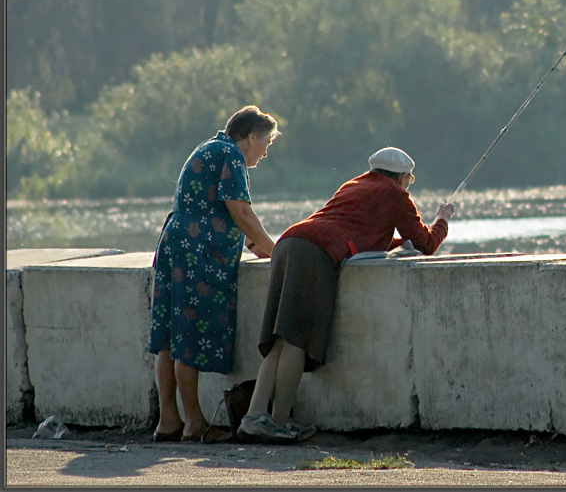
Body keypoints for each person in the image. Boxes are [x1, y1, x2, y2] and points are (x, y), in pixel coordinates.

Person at [237, 146, 455, 443]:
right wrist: (442, 219)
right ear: (402, 177)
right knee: (297, 340)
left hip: (289, 242)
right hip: (315, 254)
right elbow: (427, 244)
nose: (407, 185)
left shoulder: (353, 184)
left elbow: (358, 232)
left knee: (280, 339)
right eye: (408, 180)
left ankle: (254, 416)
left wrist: (397, 240)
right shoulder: (395, 194)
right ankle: (278, 422)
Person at [148, 105, 280, 444]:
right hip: (197, 251)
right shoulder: (231, 155)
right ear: (251, 136)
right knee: (189, 336)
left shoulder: (209, 148)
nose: (265, 152)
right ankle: (193, 423)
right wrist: (279, 253)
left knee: (168, 338)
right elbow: (241, 212)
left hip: (174, 243)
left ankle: (168, 420)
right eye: (266, 143)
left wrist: (260, 245)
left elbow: (236, 222)